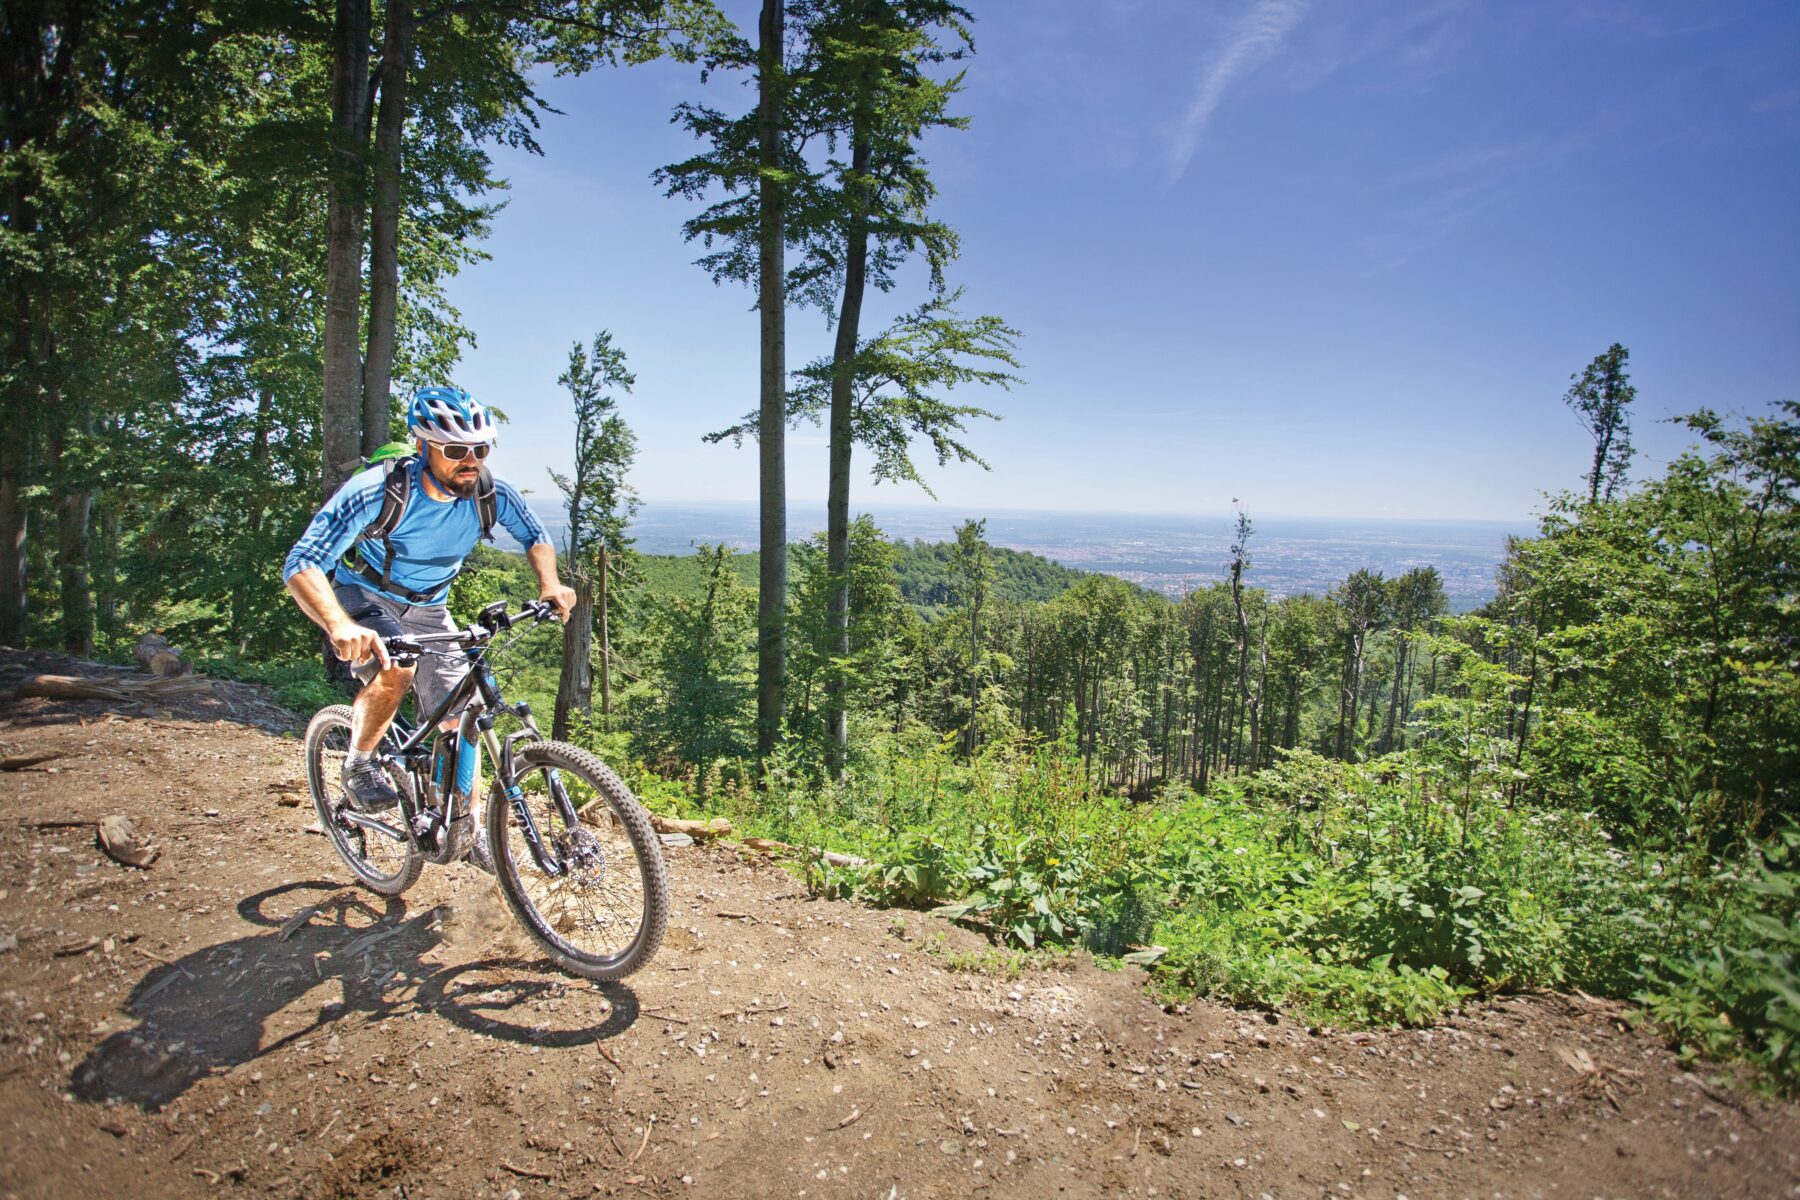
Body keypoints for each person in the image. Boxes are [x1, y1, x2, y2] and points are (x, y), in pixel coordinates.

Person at [283, 386, 576, 818]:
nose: (471, 460)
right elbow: (303, 560)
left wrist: (549, 582)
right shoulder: (377, 491)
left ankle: (464, 825)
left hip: (431, 608)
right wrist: (338, 625)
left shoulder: (489, 493)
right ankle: (359, 763)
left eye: (480, 448)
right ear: (423, 447)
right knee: (397, 668)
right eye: (456, 449)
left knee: (463, 717)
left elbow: (535, 534)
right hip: (364, 595)